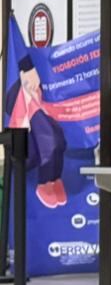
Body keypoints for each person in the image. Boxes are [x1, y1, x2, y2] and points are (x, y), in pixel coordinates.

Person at [5, 54, 68, 209]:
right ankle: (45, 182)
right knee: (49, 139)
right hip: (24, 94)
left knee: (59, 138)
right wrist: (26, 69)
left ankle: (54, 179)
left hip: (36, 90)